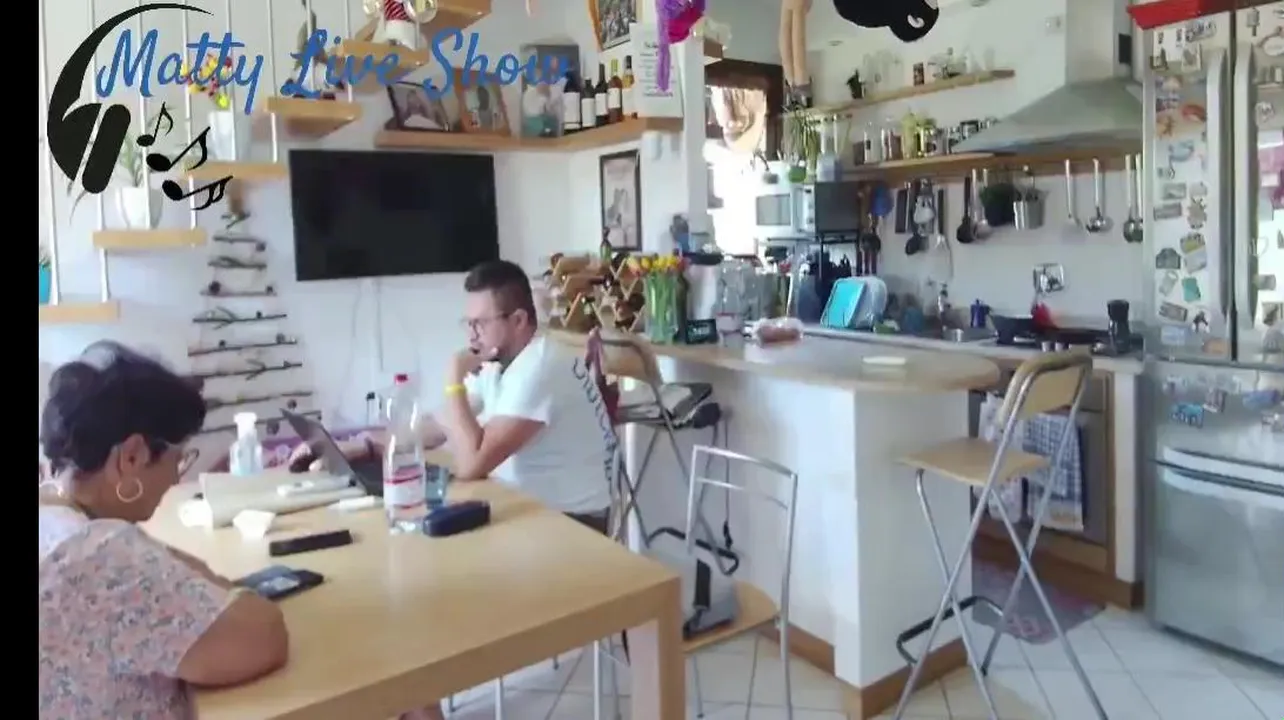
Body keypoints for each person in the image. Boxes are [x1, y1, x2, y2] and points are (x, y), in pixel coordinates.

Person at [39, 341, 290, 719]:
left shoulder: (54, 514)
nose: (176, 477)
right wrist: (235, 592)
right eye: (179, 459)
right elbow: (262, 637)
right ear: (131, 457)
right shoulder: (99, 554)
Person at [292, 259, 617, 533]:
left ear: (518, 320)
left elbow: (470, 465)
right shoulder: (501, 361)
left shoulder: (539, 367)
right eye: (468, 323)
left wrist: (454, 379)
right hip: (525, 507)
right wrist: (363, 446)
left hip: (570, 524)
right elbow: (439, 425)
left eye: (480, 324)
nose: (471, 334)